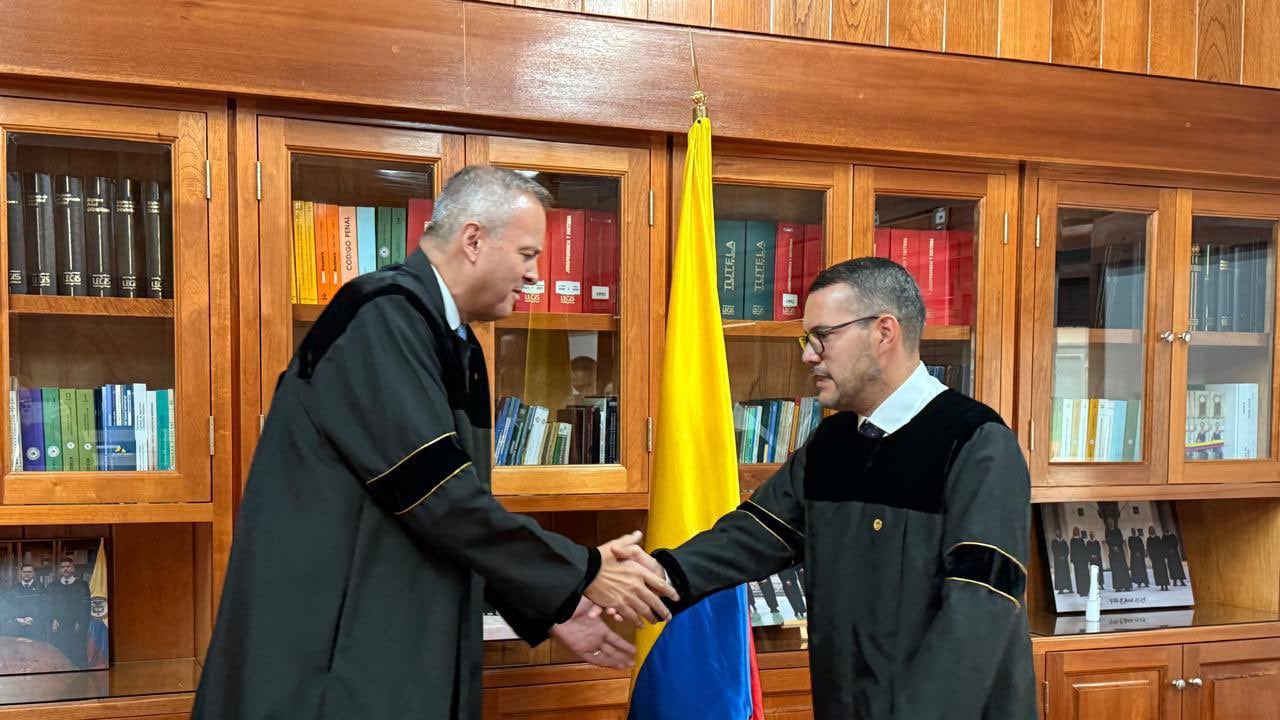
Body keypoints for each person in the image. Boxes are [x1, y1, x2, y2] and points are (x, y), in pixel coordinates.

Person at [194, 166, 676, 720]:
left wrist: (554, 605)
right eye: (526, 255)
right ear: (473, 240)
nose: (536, 276)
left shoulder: (449, 338)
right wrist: (583, 572)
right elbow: (437, 497)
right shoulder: (379, 317)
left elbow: (452, 517)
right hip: (332, 657)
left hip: (391, 641)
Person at [622, 258, 1035, 718]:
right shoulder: (833, 443)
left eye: (823, 336)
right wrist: (658, 576)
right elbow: (754, 535)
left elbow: (979, 610)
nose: (808, 355)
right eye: (807, 339)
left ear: (883, 332)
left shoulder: (976, 443)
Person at [47, 557, 89, 667]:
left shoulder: (82, 585)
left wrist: (80, 622)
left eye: (68, 566)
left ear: (73, 568)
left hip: (76, 625)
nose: (65, 569)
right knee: (61, 653)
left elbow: (85, 606)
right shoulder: (52, 586)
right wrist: (53, 620)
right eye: (62, 567)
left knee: (77, 653)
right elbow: (49, 605)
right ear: (59, 570)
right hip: (58, 625)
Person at [3, 563, 46, 641]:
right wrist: (17, 619)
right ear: (21, 573)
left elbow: (44, 607)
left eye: (29, 572)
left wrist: (33, 618)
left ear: (34, 573)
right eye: (24, 572)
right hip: (18, 627)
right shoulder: (14, 588)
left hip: (35, 626)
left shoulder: (40, 587)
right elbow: (9, 607)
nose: (27, 574)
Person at [1051, 529, 1073, 594]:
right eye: (1057, 533)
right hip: (1058, 562)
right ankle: (1061, 589)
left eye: (1060, 533)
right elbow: (1054, 550)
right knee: (1060, 575)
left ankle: (1069, 588)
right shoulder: (1054, 542)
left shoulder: (1064, 542)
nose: (1059, 534)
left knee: (1066, 574)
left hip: (1064, 561)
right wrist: (1060, 557)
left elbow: (1067, 550)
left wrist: (1064, 556)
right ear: (1056, 534)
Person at [1069, 526, 1089, 597]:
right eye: (1075, 530)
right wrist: (1073, 561)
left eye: (1078, 530)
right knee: (1079, 577)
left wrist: (1087, 559)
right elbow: (1072, 551)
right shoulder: (1072, 540)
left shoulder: (1081, 540)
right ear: (1074, 532)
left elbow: (1085, 550)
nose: (1077, 532)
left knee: (1085, 576)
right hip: (1077, 562)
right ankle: (1081, 591)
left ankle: (1086, 590)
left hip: (1083, 561)